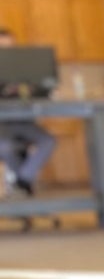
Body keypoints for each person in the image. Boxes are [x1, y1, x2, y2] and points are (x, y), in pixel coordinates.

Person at [0, 27, 60, 204]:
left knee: (48, 140)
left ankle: (22, 182)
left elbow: (41, 90)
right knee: (6, 146)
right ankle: (22, 189)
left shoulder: (28, 68)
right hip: (2, 125)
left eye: (10, 47)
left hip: (25, 123)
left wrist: (46, 89)